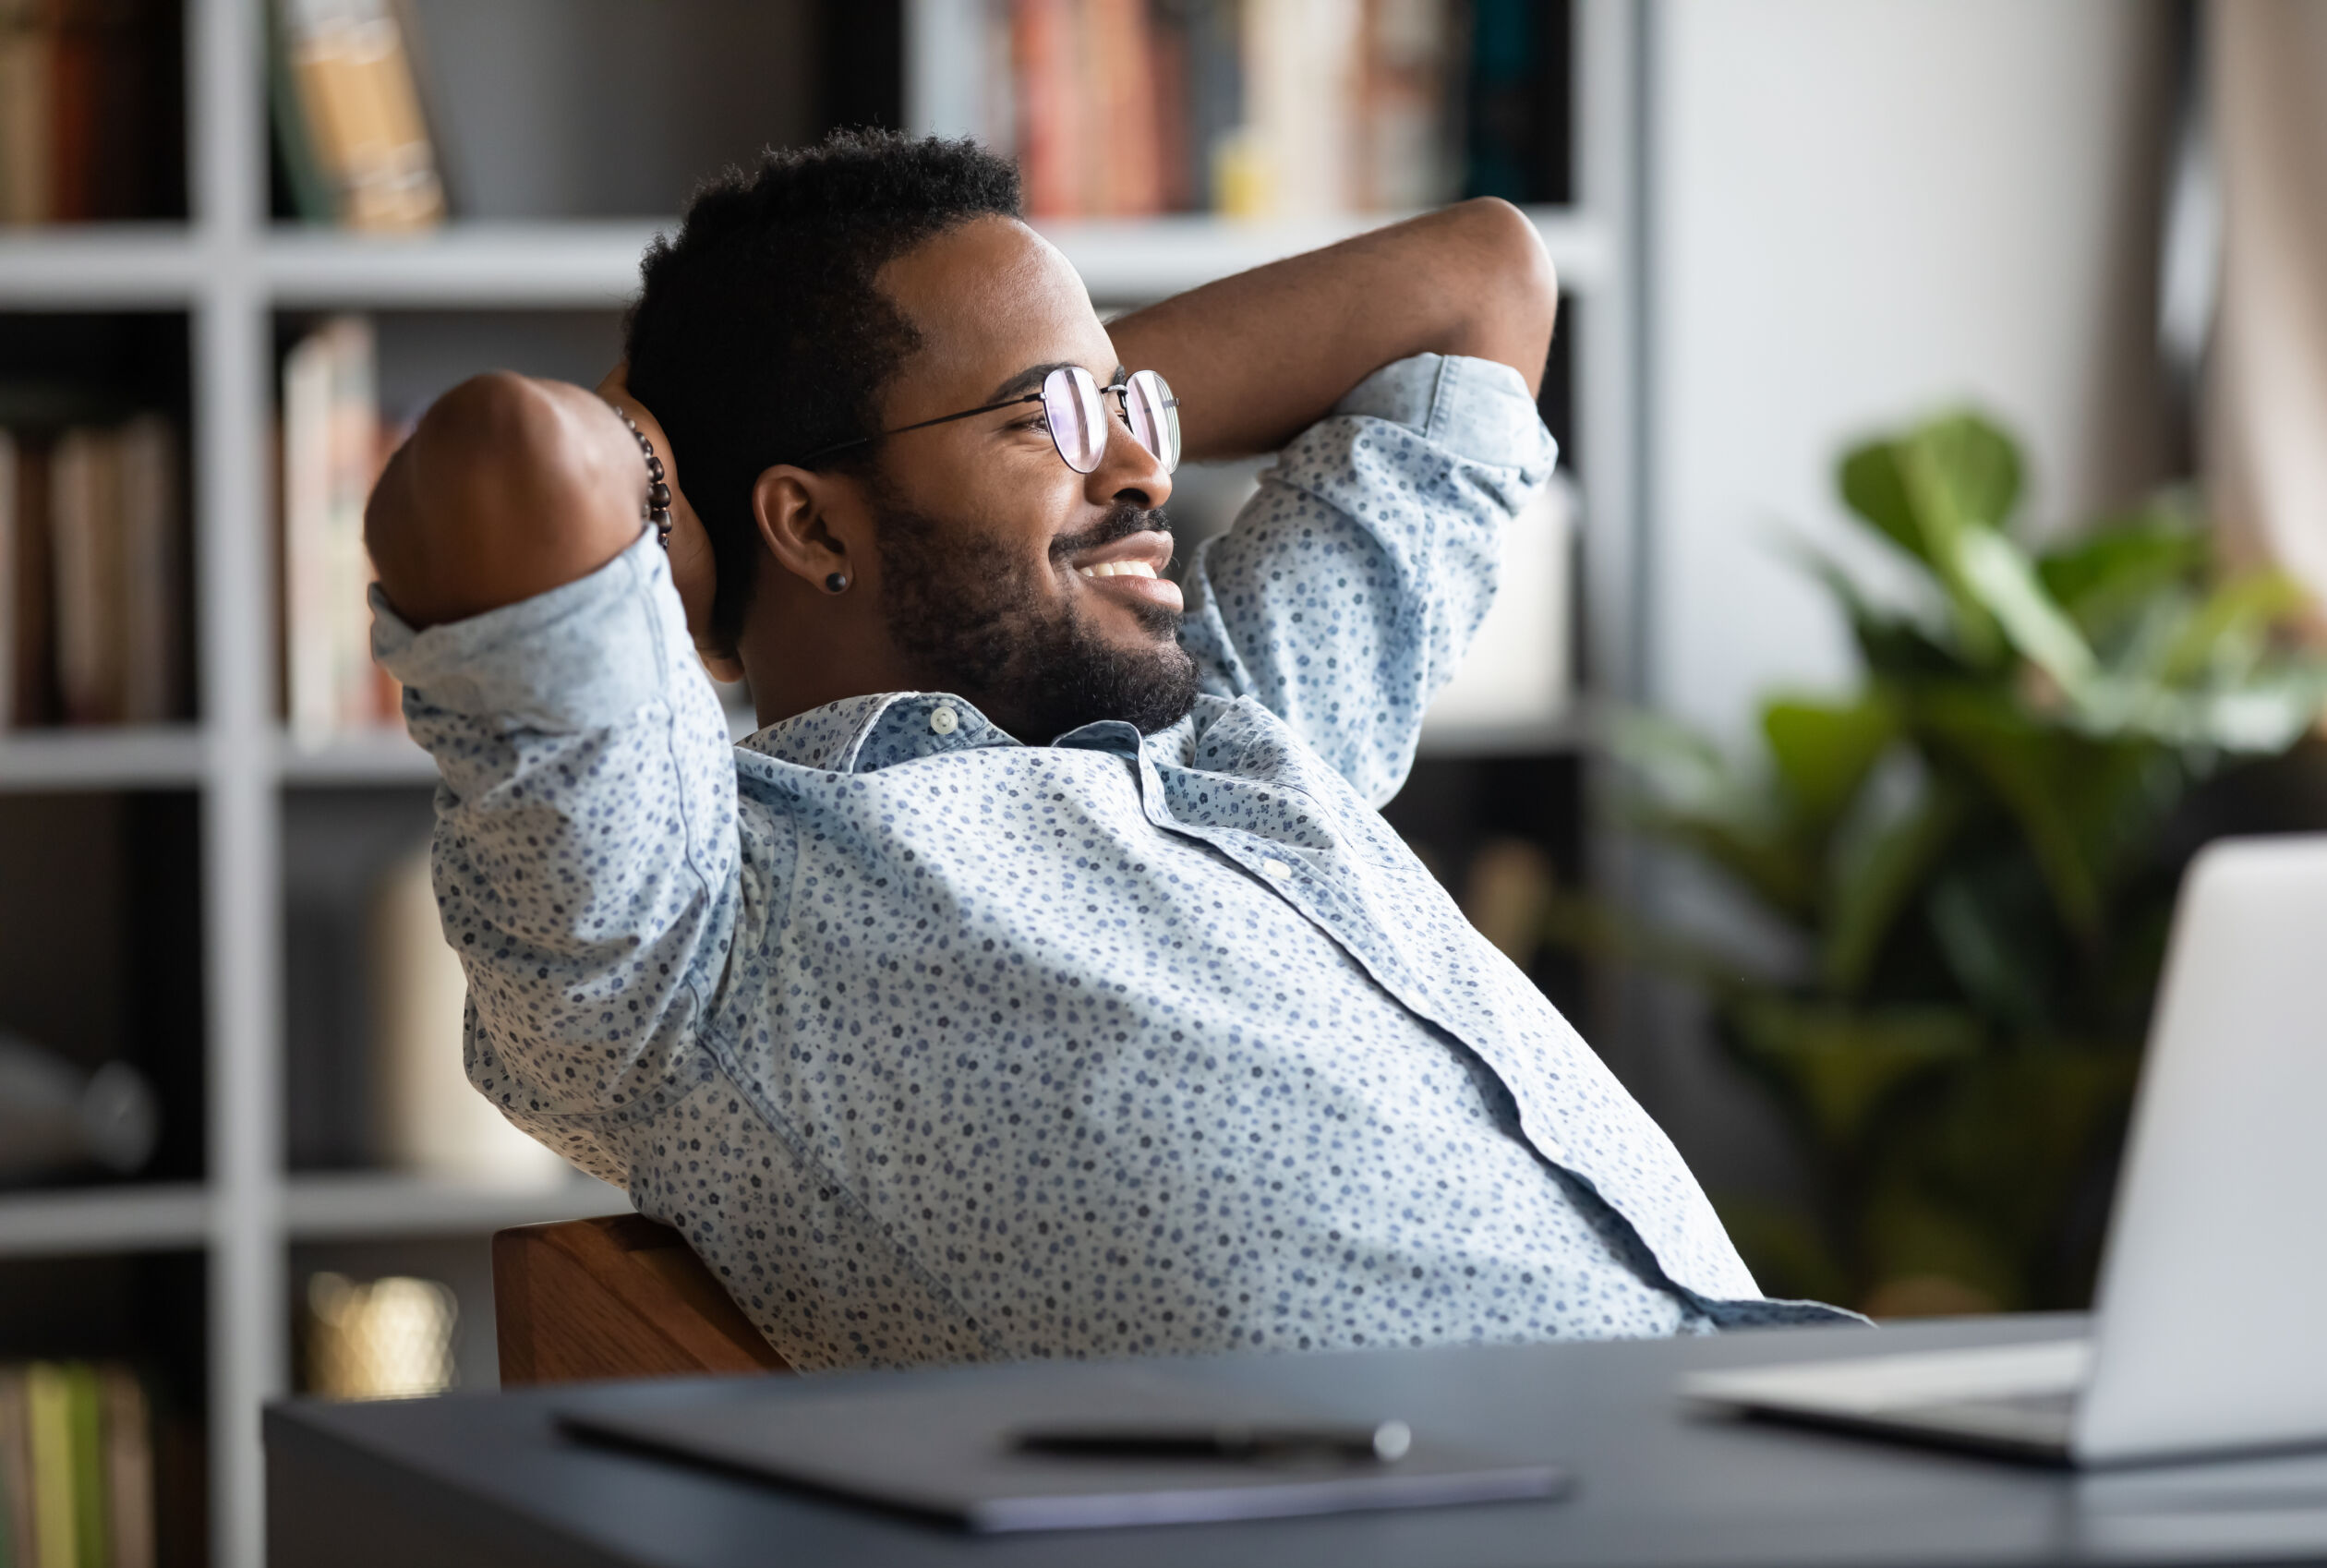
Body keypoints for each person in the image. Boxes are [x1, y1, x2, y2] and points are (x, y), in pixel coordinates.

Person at [365, 130, 1850, 1370]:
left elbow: (1479, 281)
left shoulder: (1238, 721)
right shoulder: (704, 926)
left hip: (1799, 1426)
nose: (1153, 465)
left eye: (1132, 408)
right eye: (1054, 419)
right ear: (807, 521)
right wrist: (734, 450)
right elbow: (507, 461)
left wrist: (1042, 410)